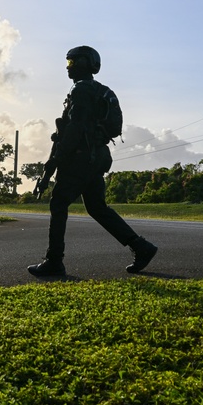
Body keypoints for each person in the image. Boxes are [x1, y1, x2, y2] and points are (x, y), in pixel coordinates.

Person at [28, 46, 158, 277]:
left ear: (84, 64)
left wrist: (57, 159)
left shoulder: (81, 90)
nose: (68, 68)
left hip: (80, 158)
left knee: (58, 203)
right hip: (97, 157)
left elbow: (76, 127)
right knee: (97, 207)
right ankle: (141, 246)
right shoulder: (96, 90)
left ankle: (54, 261)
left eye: (71, 63)